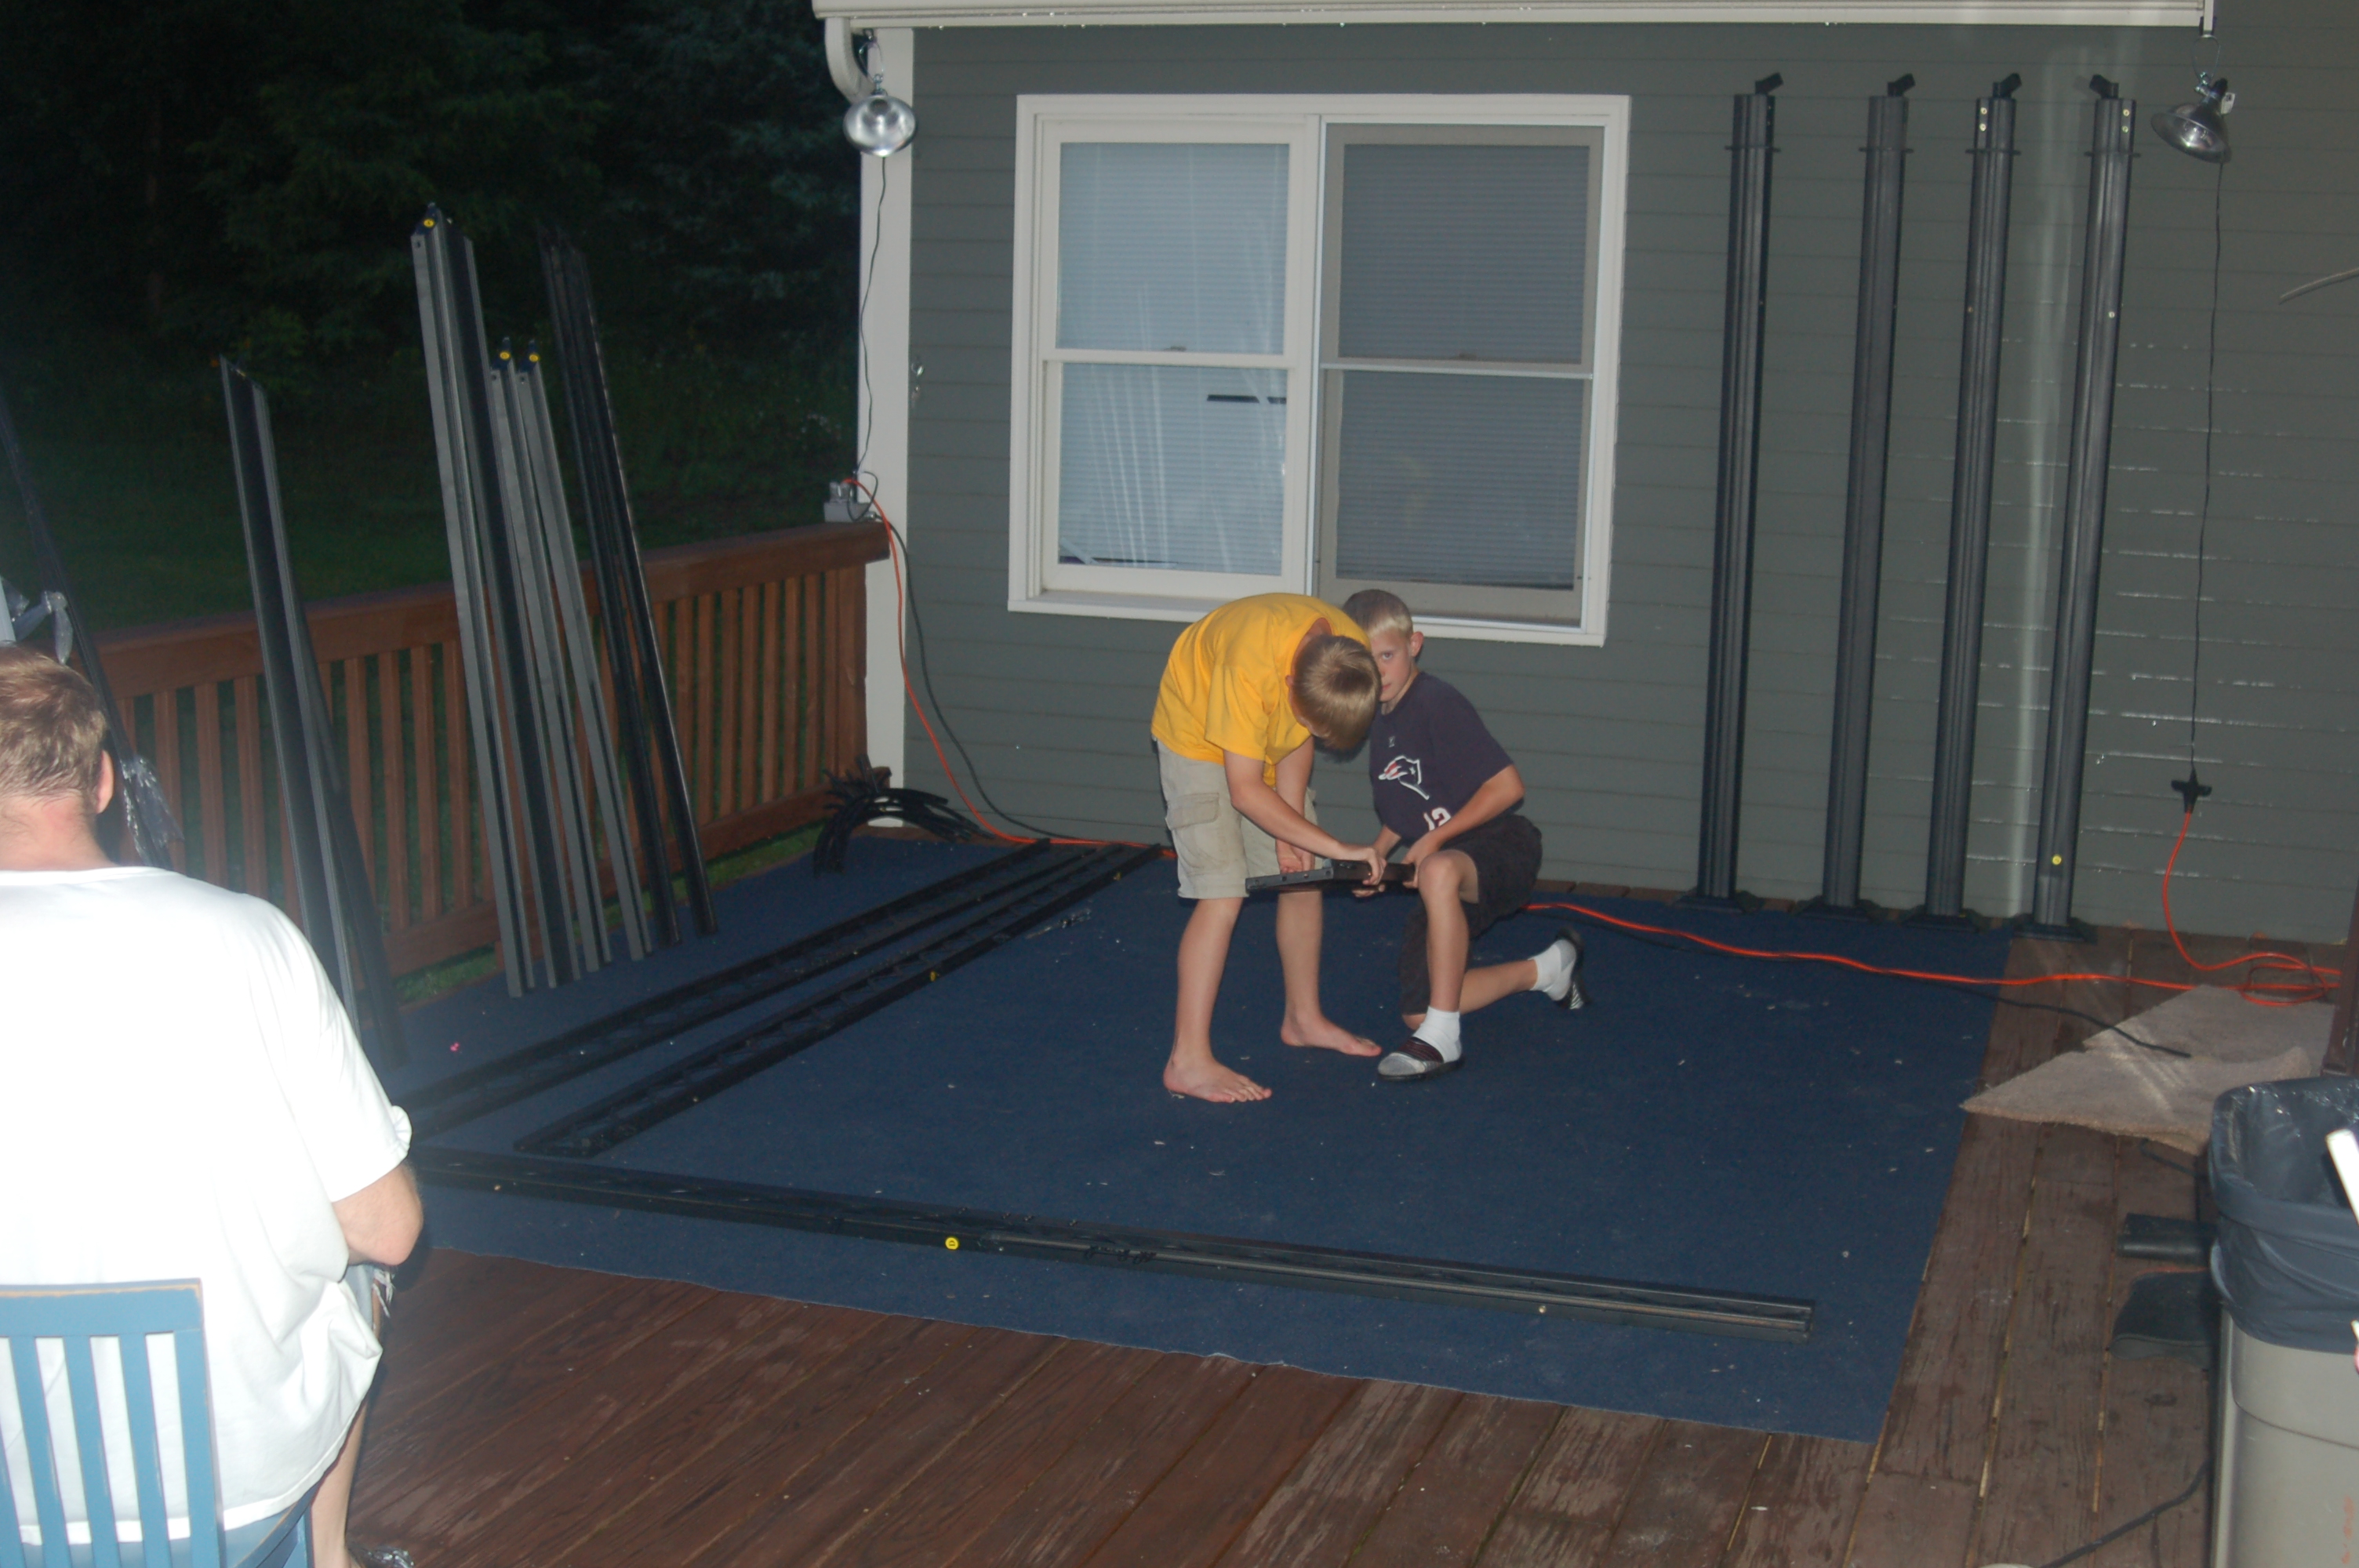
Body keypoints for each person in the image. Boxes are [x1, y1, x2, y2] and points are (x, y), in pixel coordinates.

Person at [0, 645, 420, 1568]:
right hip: (233, 1498)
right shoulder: (249, 935)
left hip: (14, 1513)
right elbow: (389, 1229)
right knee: (360, 1274)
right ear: (104, 780)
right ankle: (326, 1557)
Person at [1150, 592, 1387, 1103]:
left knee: (1304, 874)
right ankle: (1186, 1060)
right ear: (1289, 683)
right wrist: (1337, 845)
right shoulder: (1248, 665)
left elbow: (1294, 735)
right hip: (1197, 733)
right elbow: (1244, 789)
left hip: (1260, 717)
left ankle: (1303, 1018)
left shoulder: (1345, 652)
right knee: (1222, 891)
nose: (1313, 732)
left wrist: (1291, 829)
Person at [1341, 590, 1586, 1082]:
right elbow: (1412, 805)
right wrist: (1379, 854)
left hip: (1500, 846)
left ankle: (1444, 1041)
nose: (1379, 672)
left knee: (1436, 869)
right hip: (1447, 868)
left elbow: (1508, 787)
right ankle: (1548, 970)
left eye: (1387, 656)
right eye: (1366, 662)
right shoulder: (1382, 717)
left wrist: (1434, 841)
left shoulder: (1436, 701)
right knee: (1419, 1011)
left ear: (1415, 645)